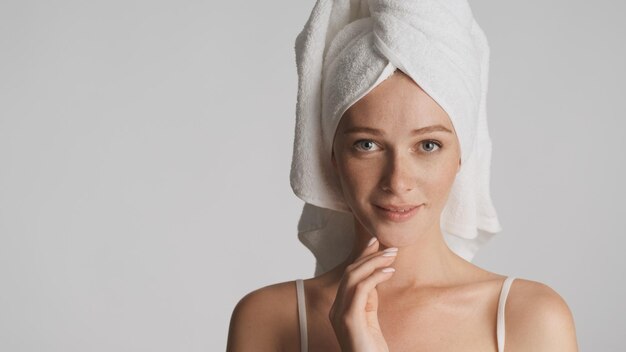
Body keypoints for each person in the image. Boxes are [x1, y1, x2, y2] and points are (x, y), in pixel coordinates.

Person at [227, 1, 578, 351]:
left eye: (427, 145)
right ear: (331, 155)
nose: (397, 182)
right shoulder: (268, 319)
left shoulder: (530, 318)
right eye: (366, 144)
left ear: (461, 155)